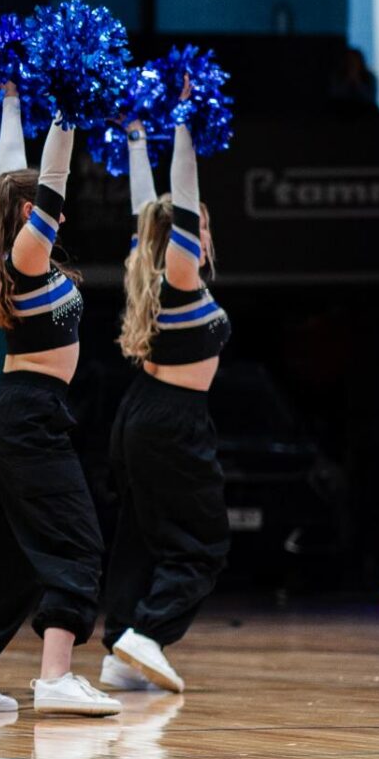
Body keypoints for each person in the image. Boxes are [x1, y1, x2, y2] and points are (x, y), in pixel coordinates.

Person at [0, 82, 119, 720]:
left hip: (5, 417)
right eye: (47, 208)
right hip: (25, 417)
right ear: (28, 211)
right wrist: (67, 103)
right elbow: (51, 181)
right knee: (77, 540)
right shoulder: (27, 254)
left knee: (6, 555)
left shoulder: (16, 254)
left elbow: (8, 173)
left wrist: (11, 102)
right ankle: (56, 678)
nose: (60, 216)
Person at [97, 115, 231, 696]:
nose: (203, 234)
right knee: (203, 544)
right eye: (198, 225)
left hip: (141, 414)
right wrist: (182, 125)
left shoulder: (146, 266)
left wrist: (135, 137)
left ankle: (121, 651)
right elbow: (179, 197)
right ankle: (149, 634)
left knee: (140, 535)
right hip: (173, 419)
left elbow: (144, 207)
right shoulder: (178, 276)